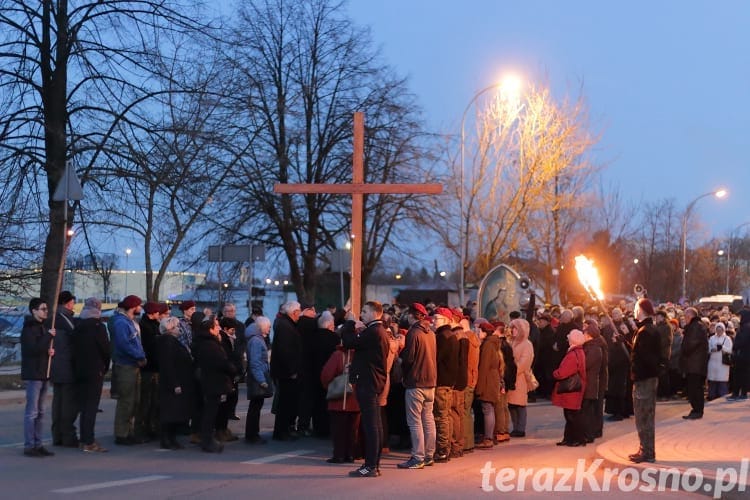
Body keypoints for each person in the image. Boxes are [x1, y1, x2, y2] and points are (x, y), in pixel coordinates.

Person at [341, 301, 390, 478]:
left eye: (364, 311)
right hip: (374, 382)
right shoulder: (378, 331)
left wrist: (350, 323)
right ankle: (373, 464)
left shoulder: (374, 331)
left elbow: (348, 342)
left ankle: (370, 465)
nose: (361, 314)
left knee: (371, 426)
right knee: (375, 425)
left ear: (374, 313)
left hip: (368, 383)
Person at [397, 303, 437, 470]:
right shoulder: (431, 334)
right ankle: (429, 455)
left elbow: (409, 358)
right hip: (431, 381)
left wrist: (400, 357)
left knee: (414, 422)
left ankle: (417, 457)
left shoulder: (414, 333)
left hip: (416, 382)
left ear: (412, 316)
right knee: (428, 419)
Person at [192, 315, 237, 453]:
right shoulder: (209, 344)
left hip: (212, 381)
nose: (219, 328)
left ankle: (208, 439)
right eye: (216, 326)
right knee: (210, 413)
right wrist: (232, 368)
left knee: (211, 411)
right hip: (213, 382)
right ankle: (207, 440)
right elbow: (220, 362)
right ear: (210, 329)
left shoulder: (207, 342)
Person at [72, 297, 110, 453]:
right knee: (91, 407)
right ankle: (89, 441)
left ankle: (83, 439)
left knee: (84, 406)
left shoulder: (78, 325)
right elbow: (106, 350)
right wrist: (105, 367)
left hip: (79, 370)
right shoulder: (98, 327)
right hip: (95, 370)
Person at [628, 298, 662, 463]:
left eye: (636, 307)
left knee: (644, 416)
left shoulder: (646, 331)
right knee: (642, 415)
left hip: (645, 380)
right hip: (644, 378)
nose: (634, 310)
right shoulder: (645, 330)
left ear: (641, 309)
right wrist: (627, 342)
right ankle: (644, 448)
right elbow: (641, 353)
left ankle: (648, 452)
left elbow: (648, 357)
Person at [21, 298, 56, 457]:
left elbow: (41, 349)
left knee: (41, 411)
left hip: (43, 373)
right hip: (33, 374)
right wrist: (48, 337)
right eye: (42, 309)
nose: (46, 312)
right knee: (32, 412)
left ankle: (38, 443)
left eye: (46, 309)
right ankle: (29, 445)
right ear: (34, 311)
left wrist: (49, 353)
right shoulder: (29, 329)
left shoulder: (41, 327)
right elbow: (33, 350)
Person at [110, 295, 147, 445]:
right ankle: (121, 434)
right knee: (126, 400)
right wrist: (139, 355)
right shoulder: (121, 322)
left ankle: (128, 431)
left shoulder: (128, 321)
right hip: (126, 365)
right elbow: (124, 344)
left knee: (133, 401)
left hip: (132, 365)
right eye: (139, 305)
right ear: (133, 306)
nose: (141, 308)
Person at [156, 316, 194, 450]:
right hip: (173, 383)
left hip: (178, 381)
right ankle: (167, 439)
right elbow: (168, 365)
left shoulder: (173, 341)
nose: (179, 329)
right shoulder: (168, 342)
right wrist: (175, 384)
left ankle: (171, 439)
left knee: (174, 412)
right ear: (170, 329)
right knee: (170, 413)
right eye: (177, 327)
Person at [321, 342, 360, 463]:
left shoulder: (338, 355)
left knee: (339, 430)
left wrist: (329, 386)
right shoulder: (361, 354)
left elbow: (326, 374)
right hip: (357, 399)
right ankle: (351, 454)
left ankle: (339, 455)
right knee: (353, 430)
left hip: (339, 399)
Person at [270, 301, 303, 441]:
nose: (300, 315)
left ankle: (283, 431)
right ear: (294, 312)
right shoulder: (285, 326)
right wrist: (291, 371)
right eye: (299, 312)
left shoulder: (285, 324)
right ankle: (281, 432)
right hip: (286, 372)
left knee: (286, 403)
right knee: (285, 403)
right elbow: (285, 352)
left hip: (285, 371)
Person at [50, 290, 79, 448]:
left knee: (58, 402)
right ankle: (68, 436)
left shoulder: (53, 319)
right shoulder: (67, 320)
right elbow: (70, 346)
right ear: (68, 303)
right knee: (68, 404)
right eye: (73, 303)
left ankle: (57, 436)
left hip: (56, 368)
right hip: (67, 367)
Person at [431, 307, 459, 462]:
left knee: (440, 416)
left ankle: (442, 449)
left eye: (437, 318)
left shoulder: (442, 336)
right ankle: (447, 447)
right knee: (446, 415)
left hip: (442, 381)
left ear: (446, 320)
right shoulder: (451, 335)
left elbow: (437, 358)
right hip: (448, 381)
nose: (433, 321)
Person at [552, 329, 587, 447]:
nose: (567, 340)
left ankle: (577, 439)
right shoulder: (579, 351)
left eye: (569, 338)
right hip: (575, 388)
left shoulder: (573, 354)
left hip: (571, 389)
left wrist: (555, 373)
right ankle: (569, 438)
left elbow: (563, 372)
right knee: (571, 414)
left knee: (572, 415)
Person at [136, 301, 164, 442]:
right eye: (157, 312)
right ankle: (143, 429)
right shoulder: (145, 327)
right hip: (149, 368)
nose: (159, 314)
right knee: (146, 400)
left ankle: (152, 427)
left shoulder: (154, 325)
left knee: (155, 400)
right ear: (151, 313)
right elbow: (151, 347)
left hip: (155, 367)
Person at [474, 321, 502, 449]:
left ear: (485, 332)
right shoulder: (493, 343)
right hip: (493, 380)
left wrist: (479, 387)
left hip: (487, 381)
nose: (477, 333)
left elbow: (483, 367)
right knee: (490, 409)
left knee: (487, 409)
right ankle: (491, 436)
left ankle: (488, 438)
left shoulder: (487, 345)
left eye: (480, 331)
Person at [245, 316, 272, 444]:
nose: (270, 329)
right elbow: (255, 363)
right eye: (268, 326)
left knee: (255, 407)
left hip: (257, 375)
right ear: (262, 327)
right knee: (255, 407)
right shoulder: (256, 341)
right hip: (257, 377)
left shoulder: (257, 339)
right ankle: (252, 435)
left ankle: (252, 434)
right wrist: (262, 380)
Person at [680, 307, 709, 419]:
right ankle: (696, 409)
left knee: (695, 388)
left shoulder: (696, 327)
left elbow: (690, 345)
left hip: (695, 364)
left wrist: (684, 349)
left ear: (690, 316)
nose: (685, 319)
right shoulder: (696, 326)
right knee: (694, 388)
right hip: (694, 364)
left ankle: (697, 410)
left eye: (686, 316)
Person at [507, 318, 534, 437]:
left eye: (515, 328)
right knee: (511, 404)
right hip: (511, 377)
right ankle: (515, 427)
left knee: (520, 404)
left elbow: (525, 362)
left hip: (520, 378)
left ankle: (520, 428)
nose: (513, 330)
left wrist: (513, 371)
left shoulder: (527, 344)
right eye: (512, 328)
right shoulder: (512, 342)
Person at [221, 302, 247, 420]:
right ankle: (223, 412)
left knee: (235, 389)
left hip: (237, 360)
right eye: (227, 311)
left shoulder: (240, 326)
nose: (229, 313)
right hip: (225, 360)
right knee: (225, 389)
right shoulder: (220, 325)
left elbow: (243, 341)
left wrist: (240, 352)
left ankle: (232, 411)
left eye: (232, 311)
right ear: (223, 312)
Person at [728, 309, 750, 400]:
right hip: (741, 355)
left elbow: (743, 341)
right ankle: (736, 392)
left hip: (744, 355)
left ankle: (742, 393)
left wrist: (735, 345)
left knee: (743, 374)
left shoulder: (747, 327)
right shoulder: (743, 327)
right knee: (738, 374)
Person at [707, 322, 732, 400]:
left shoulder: (727, 339)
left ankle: (722, 397)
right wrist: (712, 349)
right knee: (712, 382)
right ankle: (711, 397)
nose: (719, 331)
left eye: (720, 330)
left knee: (722, 382)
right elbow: (708, 348)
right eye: (717, 330)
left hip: (723, 364)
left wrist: (722, 347)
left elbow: (730, 350)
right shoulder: (712, 338)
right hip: (713, 362)